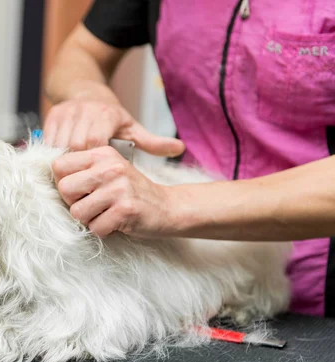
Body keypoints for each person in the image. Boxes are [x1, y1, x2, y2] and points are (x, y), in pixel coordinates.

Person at [44, 0, 335, 317]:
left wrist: (170, 204)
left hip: (320, 292)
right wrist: (88, 95)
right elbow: (81, 53)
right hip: (201, 279)